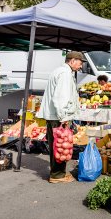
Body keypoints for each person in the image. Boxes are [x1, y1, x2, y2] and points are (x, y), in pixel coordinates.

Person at [37, 51, 84, 183]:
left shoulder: (59, 71)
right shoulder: (65, 74)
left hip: (54, 114)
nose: (80, 67)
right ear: (72, 60)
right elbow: (61, 97)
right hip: (58, 116)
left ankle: (57, 173)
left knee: (56, 144)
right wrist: (63, 117)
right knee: (60, 145)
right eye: (80, 63)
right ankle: (57, 175)